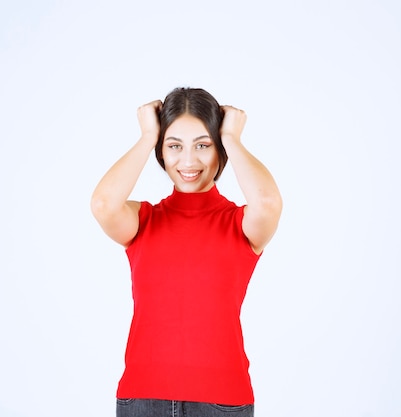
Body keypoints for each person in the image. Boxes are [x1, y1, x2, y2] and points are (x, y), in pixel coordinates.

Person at [91, 87, 282, 417]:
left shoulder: (240, 225)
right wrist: (147, 136)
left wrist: (233, 139)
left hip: (222, 403)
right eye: (174, 146)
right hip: (141, 400)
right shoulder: (143, 221)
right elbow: (104, 204)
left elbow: (267, 203)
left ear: (219, 150)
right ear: (161, 153)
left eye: (203, 145)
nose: (189, 161)